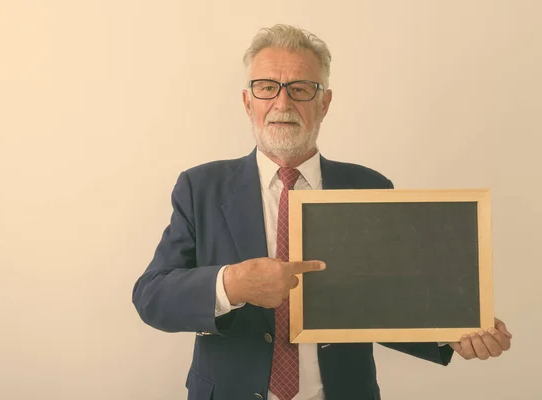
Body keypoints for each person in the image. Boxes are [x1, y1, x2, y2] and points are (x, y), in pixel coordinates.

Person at [132, 24, 512, 400]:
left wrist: (452, 332)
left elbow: (388, 304)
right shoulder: (200, 187)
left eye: (300, 89)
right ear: (249, 102)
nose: (282, 104)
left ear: (324, 103)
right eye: (267, 88)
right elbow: (151, 296)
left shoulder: (370, 187)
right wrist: (231, 285)